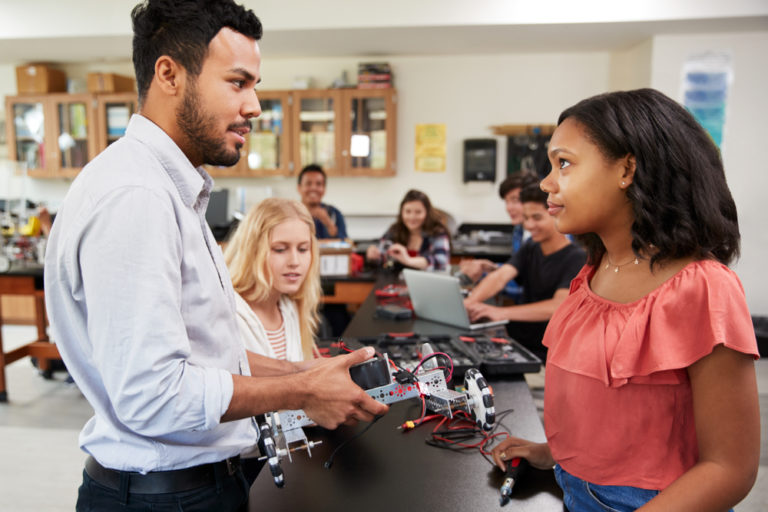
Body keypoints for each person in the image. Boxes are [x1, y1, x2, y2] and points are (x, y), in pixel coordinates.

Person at [43, 2, 387, 510]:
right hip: (163, 497)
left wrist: (300, 372)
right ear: (170, 75)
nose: (254, 106)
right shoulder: (137, 196)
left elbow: (200, 354)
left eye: (255, 85)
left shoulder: (169, 188)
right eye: (238, 82)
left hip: (194, 485)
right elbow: (154, 395)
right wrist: (302, 393)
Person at [491, 89, 760, 511]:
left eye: (563, 163)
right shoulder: (594, 271)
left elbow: (730, 468)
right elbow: (614, 411)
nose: (546, 183)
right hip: (575, 488)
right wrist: (555, 453)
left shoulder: (703, 287)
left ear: (627, 169)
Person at [463, 185, 585, 359]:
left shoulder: (577, 258)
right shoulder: (531, 247)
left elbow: (557, 306)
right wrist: (469, 303)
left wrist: (500, 313)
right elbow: (500, 276)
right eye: (526, 218)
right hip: (519, 346)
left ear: (558, 214)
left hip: (548, 353)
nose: (529, 225)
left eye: (537, 218)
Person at [225, 198, 320, 361]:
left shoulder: (290, 307)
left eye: (303, 249)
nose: (295, 261)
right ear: (252, 252)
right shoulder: (229, 314)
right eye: (280, 249)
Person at [458, 172, 539, 295]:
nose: (508, 208)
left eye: (515, 200)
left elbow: (536, 289)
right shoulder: (519, 230)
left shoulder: (554, 236)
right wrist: (490, 269)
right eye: (506, 202)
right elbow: (520, 272)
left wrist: (488, 285)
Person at [365, 189, 450, 272]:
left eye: (418, 212)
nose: (412, 217)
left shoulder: (437, 232)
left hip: (428, 283)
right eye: (408, 211)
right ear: (402, 212)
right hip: (397, 283)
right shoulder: (395, 230)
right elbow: (382, 256)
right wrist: (374, 256)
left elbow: (441, 262)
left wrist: (408, 260)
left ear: (427, 213)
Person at [297, 163, 348, 239]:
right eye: (308, 183)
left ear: (324, 189)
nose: (313, 188)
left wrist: (328, 223)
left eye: (318, 184)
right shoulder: (290, 214)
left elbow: (345, 243)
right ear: (299, 188)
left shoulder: (334, 213)